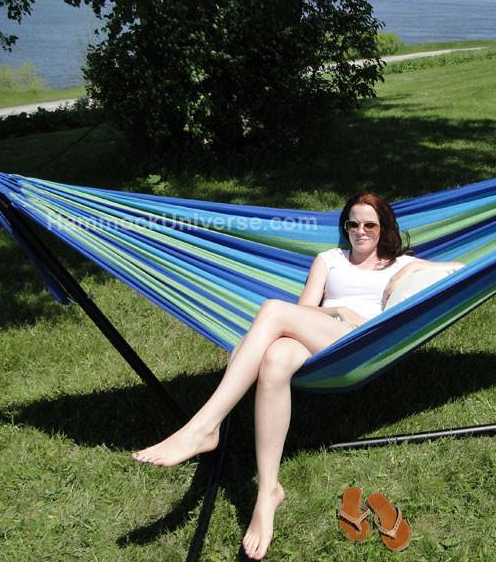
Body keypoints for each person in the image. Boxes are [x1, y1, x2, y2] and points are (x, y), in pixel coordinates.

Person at [132, 191, 464, 559]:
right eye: (352, 224)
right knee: (274, 358)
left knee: (273, 310)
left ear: (383, 226)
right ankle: (268, 492)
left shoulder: (397, 264)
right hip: (322, 333)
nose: (360, 231)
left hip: (363, 341)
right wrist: (338, 310)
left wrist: (412, 269)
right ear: (345, 227)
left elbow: (460, 270)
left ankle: (204, 427)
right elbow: (305, 310)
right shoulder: (329, 260)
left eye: (369, 224)